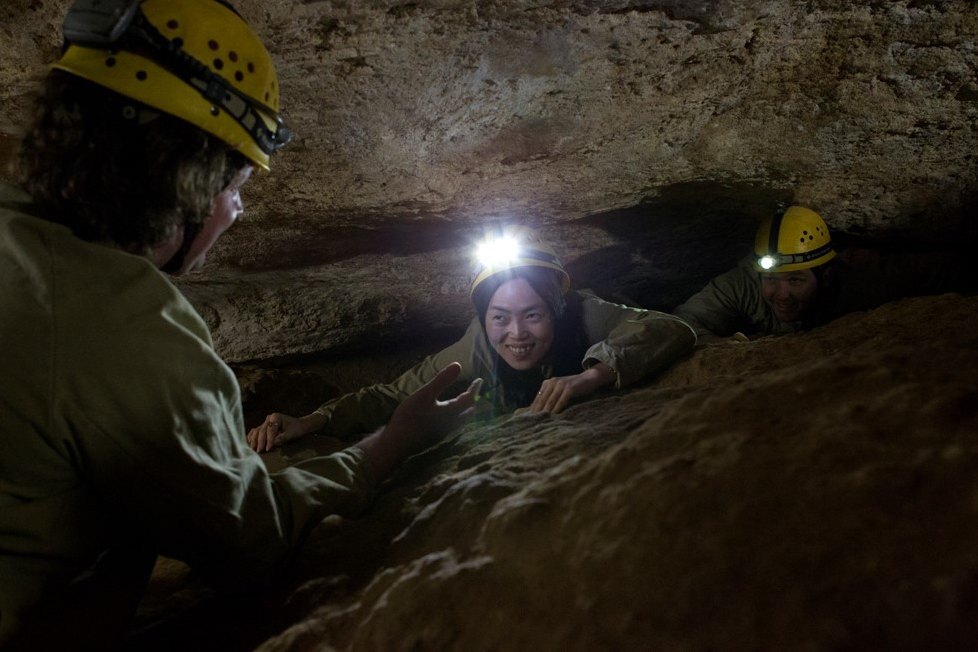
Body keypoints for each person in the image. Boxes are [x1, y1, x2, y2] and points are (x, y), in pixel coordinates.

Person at [0, 0, 480, 648]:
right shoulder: (128, 324)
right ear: (186, 182)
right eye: (236, 186)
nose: (237, 211)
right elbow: (250, 538)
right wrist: (391, 443)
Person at [247, 226, 697, 452]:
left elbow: (668, 328)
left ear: (555, 309)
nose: (516, 334)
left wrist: (590, 377)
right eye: (500, 317)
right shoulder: (476, 347)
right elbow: (394, 394)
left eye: (533, 315)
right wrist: (313, 421)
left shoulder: (583, 313)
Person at [672, 204, 976, 341]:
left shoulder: (864, 279)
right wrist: (721, 347)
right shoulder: (744, 284)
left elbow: (946, 269)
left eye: (795, 279)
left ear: (826, 276)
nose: (781, 295)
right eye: (771, 280)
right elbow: (681, 324)